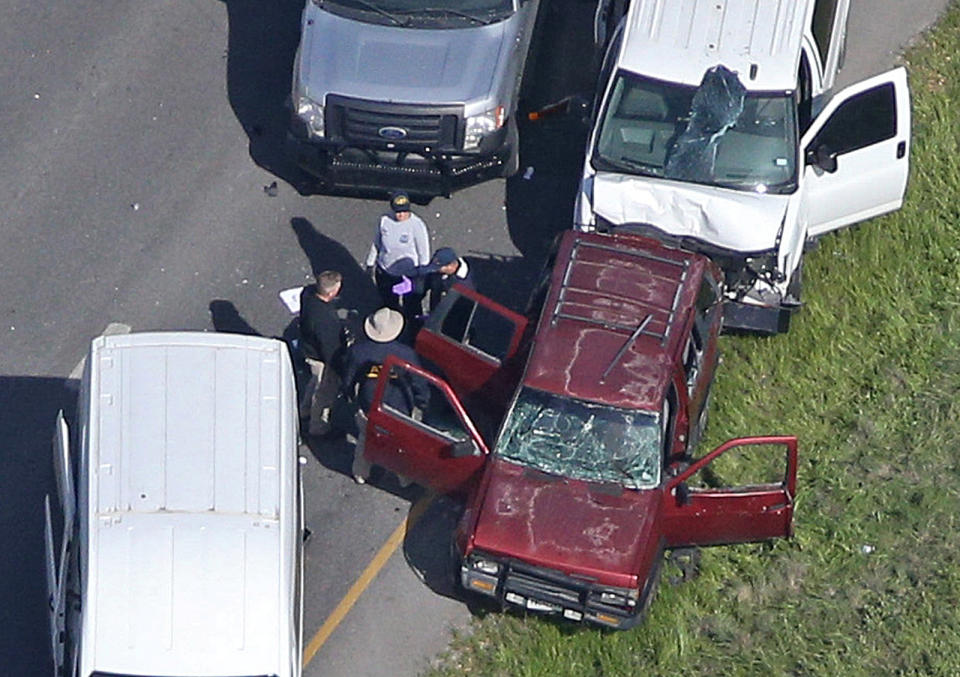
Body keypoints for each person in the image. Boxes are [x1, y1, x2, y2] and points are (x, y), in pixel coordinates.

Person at [342, 307, 429, 483]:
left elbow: (349, 378)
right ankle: (404, 478)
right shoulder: (405, 354)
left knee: (366, 439)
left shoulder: (359, 351)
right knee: (400, 446)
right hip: (399, 407)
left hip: (369, 403)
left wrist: (350, 396)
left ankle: (360, 473)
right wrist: (423, 401)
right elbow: (418, 381)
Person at [365, 192, 431, 321]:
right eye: (397, 212)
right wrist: (370, 263)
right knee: (388, 301)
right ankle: (391, 322)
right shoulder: (384, 220)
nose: (400, 215)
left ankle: (412, 325)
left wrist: (421, 275)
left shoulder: (417, 226)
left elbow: (424, 254)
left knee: (411, 304)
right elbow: (377, 243)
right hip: (386, 270)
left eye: (404, 211)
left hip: (408, 275)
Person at [298, 270, 348, 436]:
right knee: (324, 394)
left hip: (308, 350)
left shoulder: (308, 294)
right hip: (321, 359)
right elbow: (331, 350)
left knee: (313, 384)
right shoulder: (325, 320)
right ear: (332, 292)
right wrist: (340, 371)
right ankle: (318, 428)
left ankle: (304, 411)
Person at [424, 247, 475, 312]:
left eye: (439, 267)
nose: (436, 270)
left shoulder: (465, 284)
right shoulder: (439, 273)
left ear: (451, 265)